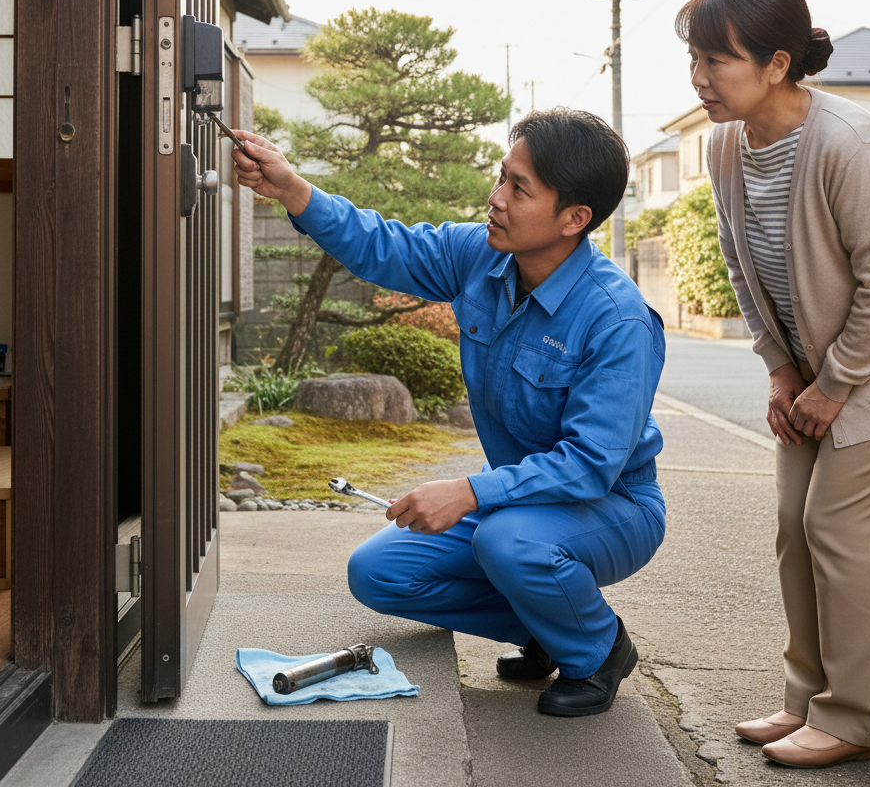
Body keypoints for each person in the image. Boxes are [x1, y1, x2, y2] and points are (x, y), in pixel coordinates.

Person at [232, 108, 667, 717]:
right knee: (377, 572)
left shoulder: (616, 319)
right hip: (516, 505)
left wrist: (467, 491)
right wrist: (295, 190)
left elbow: (592, 465)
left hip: (613, 506)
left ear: (574, 219)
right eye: (501, 177)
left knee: (507, 540)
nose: (495, 198)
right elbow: (383, 246)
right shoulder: (480, 256)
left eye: (519, 188)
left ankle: (598, 649)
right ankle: (546, 627)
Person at [680, 0, 870, 769]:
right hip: (811, 374)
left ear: (777, 64)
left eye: (719, 60)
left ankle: (851, 720)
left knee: (840, 533)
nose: (702, 79)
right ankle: (803, 702)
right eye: (694, 60)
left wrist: (835, 383)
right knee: (793, 531)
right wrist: (782, 371)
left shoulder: (850, 144)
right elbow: (742, 267)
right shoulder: (724, 145)